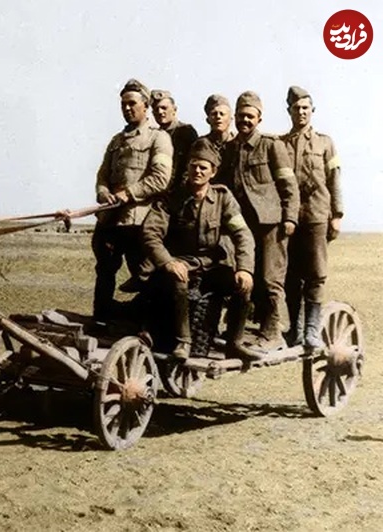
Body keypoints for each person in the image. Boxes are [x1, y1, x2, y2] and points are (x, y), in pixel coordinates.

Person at [143, 140, 258, 360]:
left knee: (242, 285)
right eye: (193, 166)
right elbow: (151, 234)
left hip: (211, 266)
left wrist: (245, 269)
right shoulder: (171, 199)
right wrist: (168, 262)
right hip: (179, 263)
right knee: (178, 283)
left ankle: (234, 342)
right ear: (187, 168)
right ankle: (183, 342)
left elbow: (243, 234)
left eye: (203, 167)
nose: (197, 171)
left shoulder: (223, 198)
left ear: (213, 172)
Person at [216, 91, 299, 351]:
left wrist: (290, 218)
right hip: (242, 225)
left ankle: (273, 333)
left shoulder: (272, 145)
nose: (244, 121)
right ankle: (238, 331)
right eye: (240, 116)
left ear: (259, 118)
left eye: (250, 116)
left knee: (271, 279)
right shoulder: (230, 148)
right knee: (242, 276)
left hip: (270, 222)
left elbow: (289, 185)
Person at [91, 79, 173, 320]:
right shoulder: (116, 141)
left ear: (145, 106)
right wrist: (103, 192)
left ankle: (148, 327)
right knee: (104, 271)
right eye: (123, 104)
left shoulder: (158, 139)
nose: (127, 108)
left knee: (145, 276)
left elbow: (160, 178)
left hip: (139, 221)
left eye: (132, 104)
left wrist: (128, 194)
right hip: (110, 220)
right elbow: (102, 176)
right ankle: (100, 320)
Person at [280, 86, 343, 349]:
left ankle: (312, 329)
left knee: (315, 273)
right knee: (291, 275)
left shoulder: (325, 142)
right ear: (289, 111)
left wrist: (337, 214)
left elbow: (335, 179)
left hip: (317, 213)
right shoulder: (280, 143)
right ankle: (295, 327)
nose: (301, 112)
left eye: (306, 108)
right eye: (297, 108)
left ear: (312, 111)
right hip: (291, 218)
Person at [150, 89, 199, 191]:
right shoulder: (152, 136)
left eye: (164, 108)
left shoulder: (186, 132)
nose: (160, 112)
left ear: (174, 110)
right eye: (156, 109)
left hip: (181, 190)